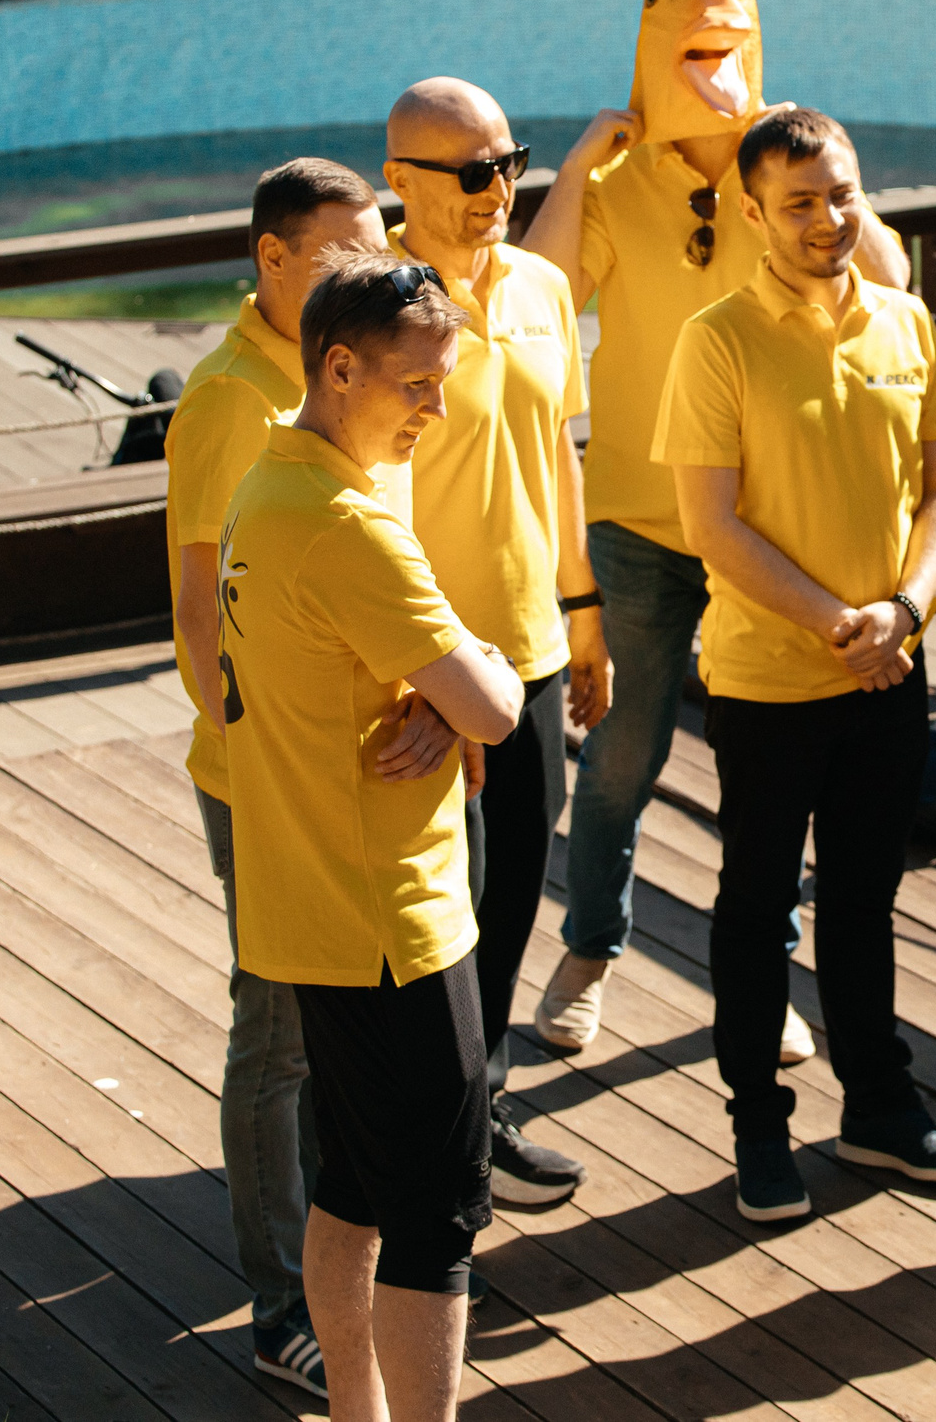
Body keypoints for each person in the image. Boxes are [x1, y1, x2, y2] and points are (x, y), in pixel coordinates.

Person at [522, 0, 911, 1059]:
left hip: (764, 529)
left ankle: (762, 977)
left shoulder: (777, 181)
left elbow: (886, 291)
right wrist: (587, 159)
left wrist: (832, 175)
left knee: (768, 774)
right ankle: (590, 947)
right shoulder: (615, 189)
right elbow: (540, 301)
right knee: (624, 759)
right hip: (643, 526)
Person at [650, 107, 936, 1222]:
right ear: (750, 213)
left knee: (864, 903)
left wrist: (903, 608)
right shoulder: (718, 340)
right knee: (755, 910)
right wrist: (844, 623)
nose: (826, 219)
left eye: (840, 194)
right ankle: (758, 1129)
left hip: (890, 672)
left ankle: (879, 1109)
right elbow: (714, 526)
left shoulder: (904, 323)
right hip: (770, 684)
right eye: (798, 202)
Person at [218, 249, 526, 1422]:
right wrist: (468, 694)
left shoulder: (270, 484)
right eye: (417, 385)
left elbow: (395, 683)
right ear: (340, 368)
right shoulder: (348, 524)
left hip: (306, 902)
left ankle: (359, 1412)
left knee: (350, 1185)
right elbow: (495, 704)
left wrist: (441, 706)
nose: (437, 410)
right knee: (438, 1210)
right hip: (390, 915)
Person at [164, 156, 425, 1397]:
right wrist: (264, 751)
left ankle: (350, 1278)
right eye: (336, 252)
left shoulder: (367, 364)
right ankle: (281, 1307)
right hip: (268, 777)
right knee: (274, 1037)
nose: (359, 271)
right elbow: (200, 607)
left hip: (361, 774)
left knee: (338, 1042)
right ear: (273, 261)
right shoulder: (226, 401)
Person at [381, 77, 608, 1209]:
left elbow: (557, 455)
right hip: (425, 670)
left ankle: (477, 1112)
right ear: (400, 182)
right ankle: (423, 1140)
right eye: (472, 174)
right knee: (431, 920)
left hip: (532, 651)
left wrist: (584, 607)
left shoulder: (539, 288)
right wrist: (411, 669)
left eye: (510, 164)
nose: (498, 191)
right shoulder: (373, 310)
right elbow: (357, 498)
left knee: (513, 897)